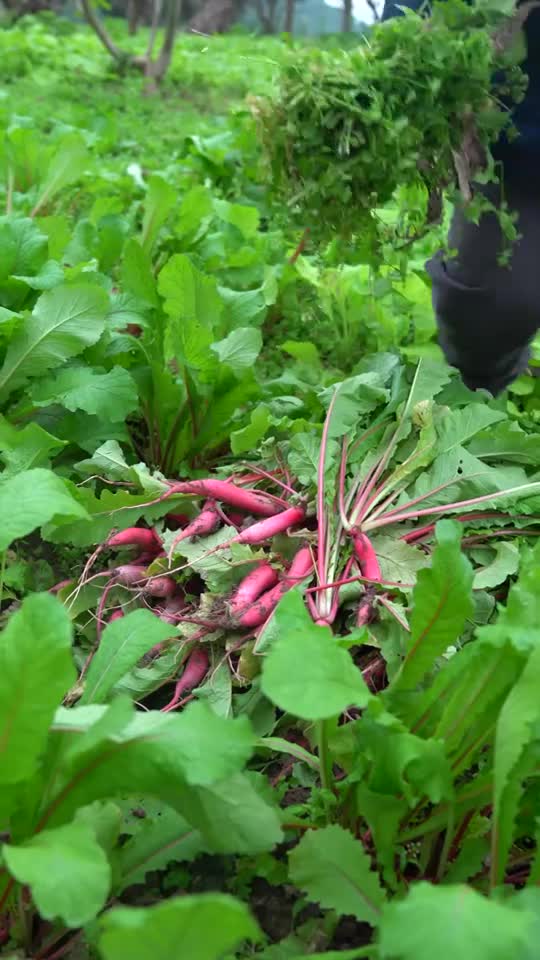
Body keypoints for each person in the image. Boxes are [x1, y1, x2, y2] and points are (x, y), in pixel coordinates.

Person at [382, 0, 540, 395]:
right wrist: (399, 55)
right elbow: (409, 22)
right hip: (514, 141)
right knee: (484, 310)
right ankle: (478, 398)